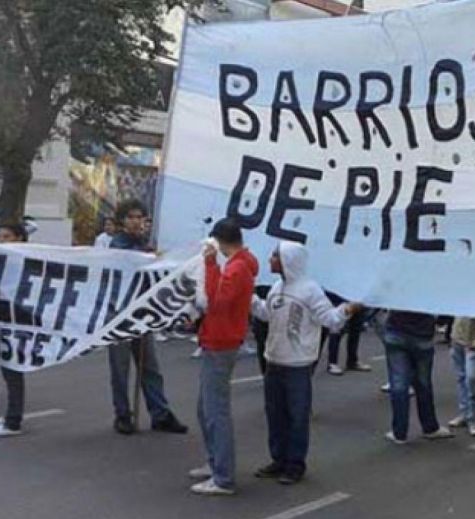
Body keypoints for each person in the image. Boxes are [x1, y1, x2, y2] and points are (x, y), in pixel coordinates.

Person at [251, 241, 360, 484]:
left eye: (275, 256)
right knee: (275, 415)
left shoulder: (310, 290)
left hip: (298, 366)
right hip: (274, 361)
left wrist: (348, 309)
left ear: (288, 260)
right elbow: (267, 314)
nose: (270, 260)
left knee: (297, 417)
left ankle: (295, 465)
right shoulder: (277, 287)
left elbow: (330, 319)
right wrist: (250, 300)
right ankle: (278, 459)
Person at [187, 220, 259, 496]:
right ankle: (215, 461)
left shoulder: (237, 268)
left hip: (221, 341)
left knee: (215, 410)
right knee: (206, 407)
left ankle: (223, 475)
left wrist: (210, 265)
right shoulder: (239, 265)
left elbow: (217, 300)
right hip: (219, 338)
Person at [106, 199, 188, 435]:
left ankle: (160, 413)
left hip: (142, 313)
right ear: (122, 220)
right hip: (119, 314)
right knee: (120, 369)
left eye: (139, 217)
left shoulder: (143, 244)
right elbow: (128, 262)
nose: (136, 221)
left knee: (149, 366)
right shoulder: (118, 244)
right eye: (131, 217)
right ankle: (123, 415)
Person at [0, 224, 31, 438]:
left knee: (13, 369)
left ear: (19, 238)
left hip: (16, 320)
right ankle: (11, 414)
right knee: (7, 368)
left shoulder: (25, 260)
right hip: (1, 317)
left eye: (7, 236)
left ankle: (13, 421)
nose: (2, 240)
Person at [382, 310, 454, 445]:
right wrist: (440, 321)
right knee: (423, 383)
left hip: (396, 330)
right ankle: (430, 427)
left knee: (399, 385)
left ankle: (399, 432)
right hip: (422, 334)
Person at [447, 317, 475, 437]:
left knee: (471, 378)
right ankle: (464, 412)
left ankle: (473, 418)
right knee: (461, 378)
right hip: (457, 338)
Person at [324, 292, 371, 375]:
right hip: (340, 298)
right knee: (337, 331)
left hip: (357, 298)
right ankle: (332, 363)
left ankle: (352, 361)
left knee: (355, 331)